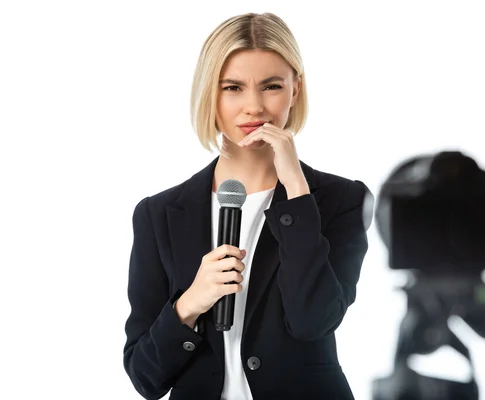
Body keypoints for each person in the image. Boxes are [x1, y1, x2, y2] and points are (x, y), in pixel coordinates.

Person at [123, 12, 373, 400]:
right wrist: (190, 302)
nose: (254, 106)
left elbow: (313, 320)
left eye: (271, 86)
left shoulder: (342, 201)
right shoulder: (158, 214)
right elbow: (145, 377)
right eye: (233, 87)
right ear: (210, 92)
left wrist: (296, 190)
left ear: (295, 89)